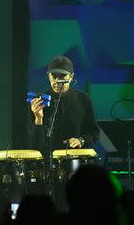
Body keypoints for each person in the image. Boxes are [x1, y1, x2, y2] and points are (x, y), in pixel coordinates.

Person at [28, 55, 100, 210]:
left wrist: (81, 140)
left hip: (76, 165)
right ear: (48, 76)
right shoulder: (40, 101)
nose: (57, 81)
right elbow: (35, 145)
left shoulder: (83, 99)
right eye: (53, 76)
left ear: (71, 77)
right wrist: (38, 119)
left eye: (62, 76)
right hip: (47, 164)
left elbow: (94, 133)